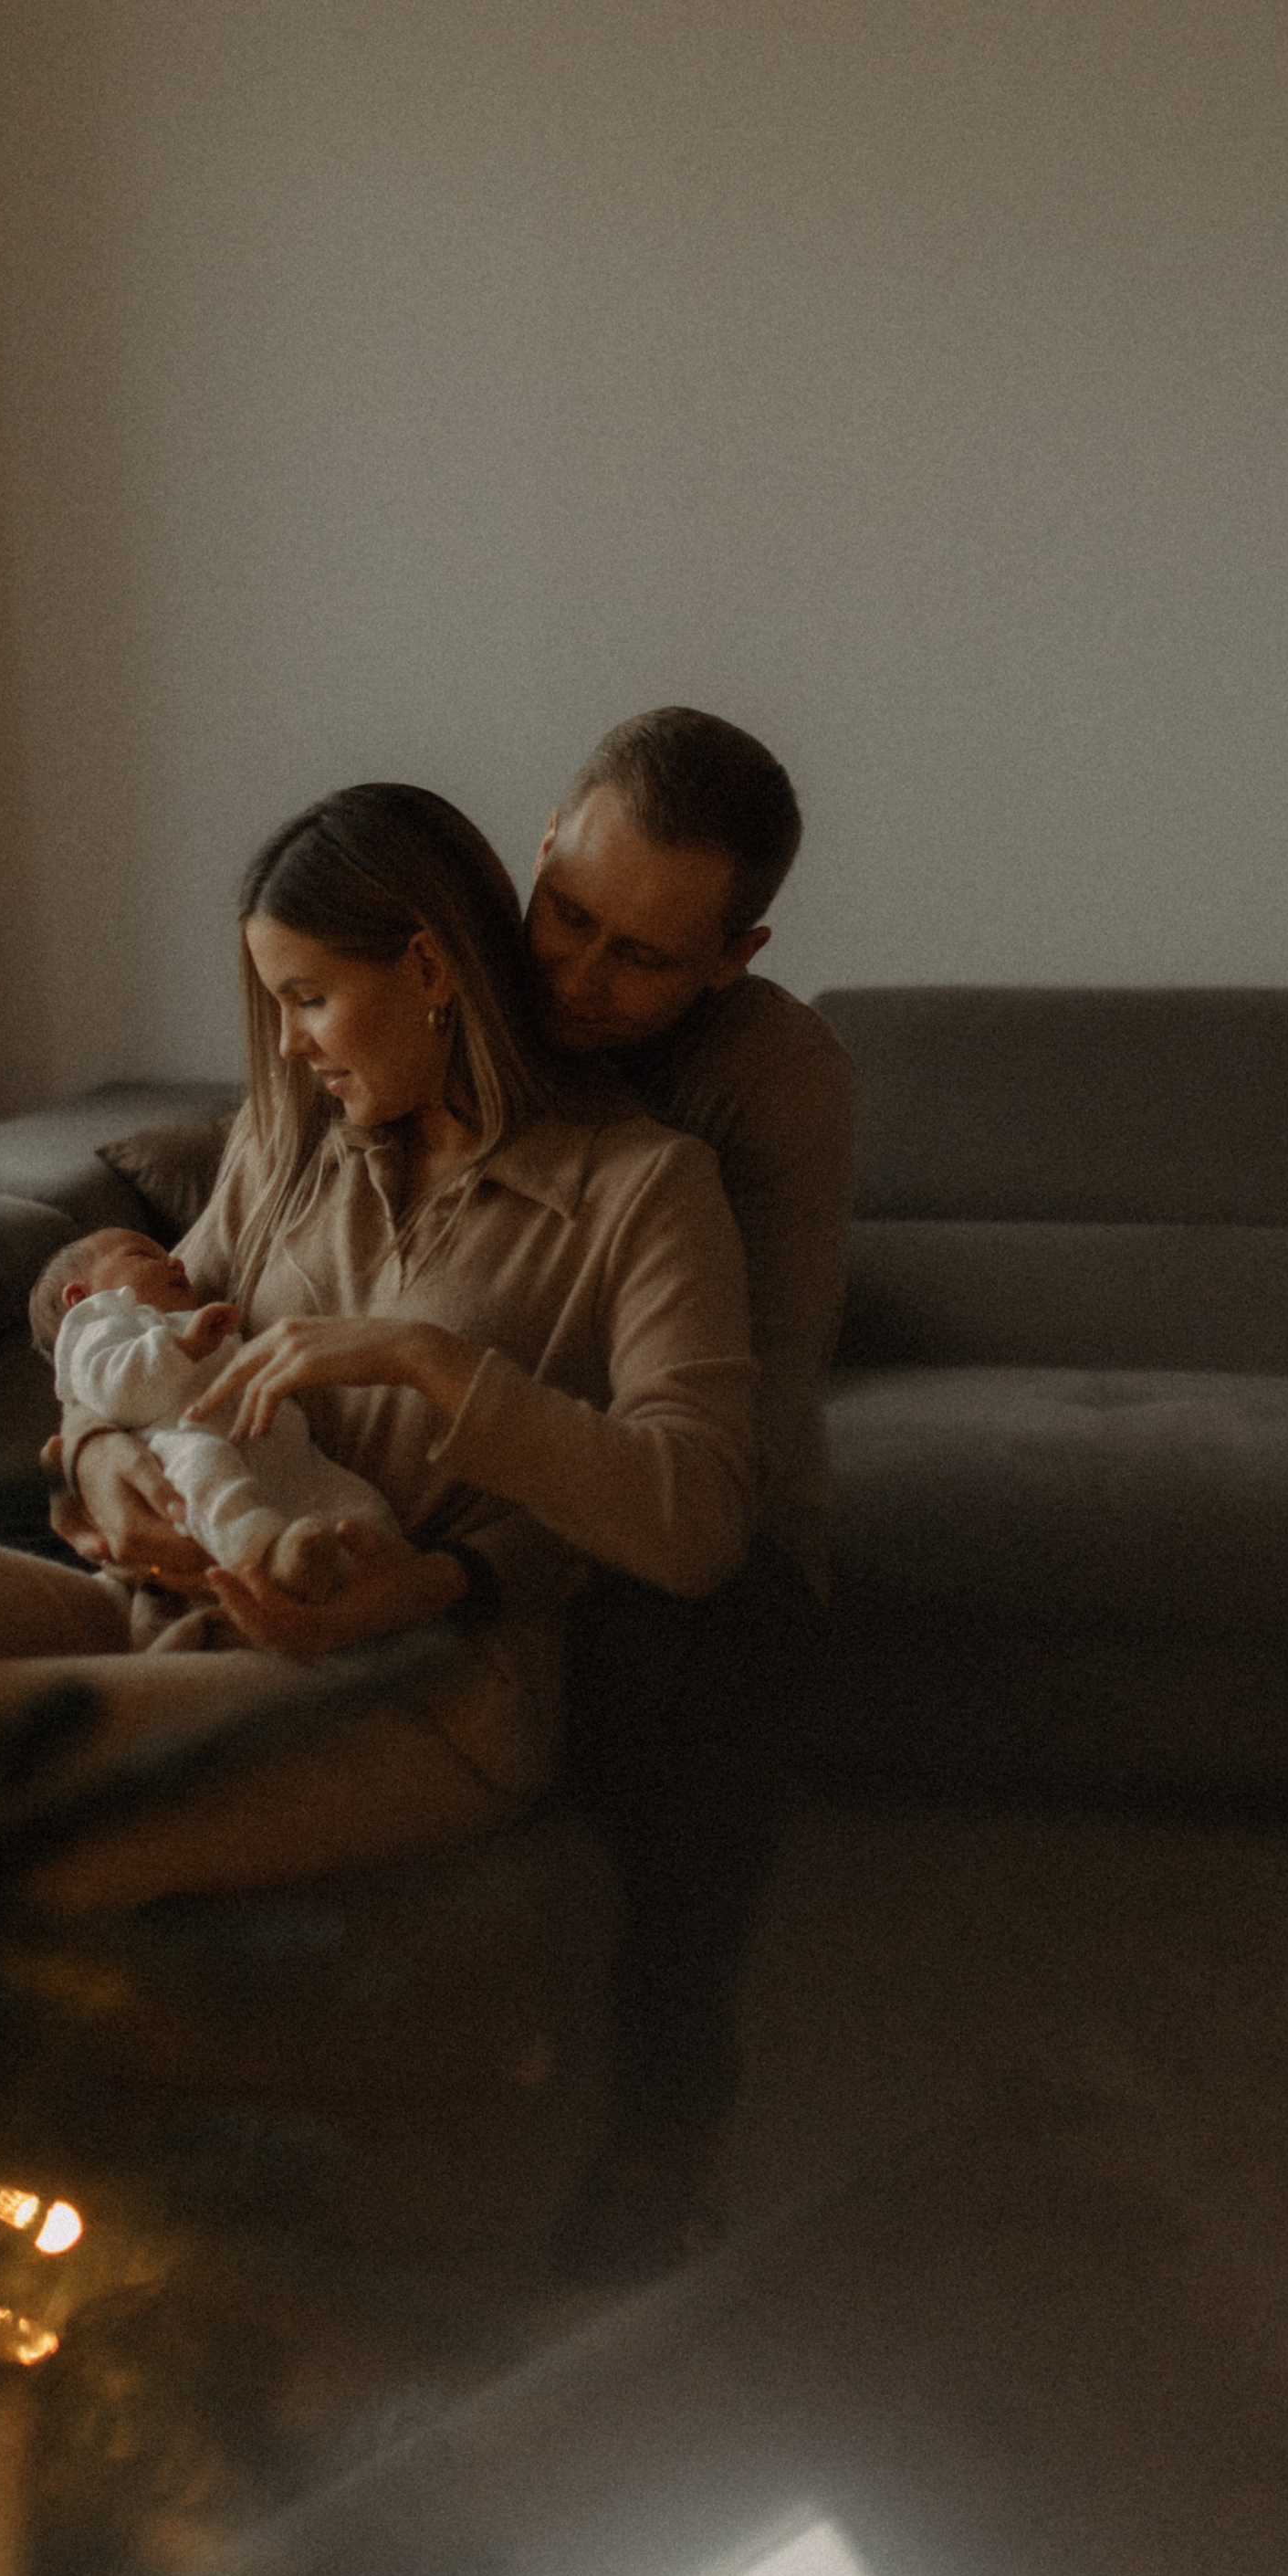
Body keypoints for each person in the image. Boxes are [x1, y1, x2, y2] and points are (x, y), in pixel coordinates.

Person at [0, 783, 758, 1913]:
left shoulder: (644, 1188)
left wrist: (425, 1361)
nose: (291, 1045)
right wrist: (101, 1452)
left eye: (308, 999)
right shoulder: (288, 1143)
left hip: (427, 1684)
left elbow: (699, 1517)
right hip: (176, 1606)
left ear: (431, 972)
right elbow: (127, 1330)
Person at [526, 709, 856, 2265]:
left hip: (690, 1516)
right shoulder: (464, 972)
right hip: (446, 1480)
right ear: (540, 847)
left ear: (734, 954)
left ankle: (669, 2126)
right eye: (564, 915)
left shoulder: (772, 1074)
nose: (576, 981)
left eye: (641, 958)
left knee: (700, 1682)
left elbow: (748, 1435)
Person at [30, 1222, 396, 1601]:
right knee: (205, 1468)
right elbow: (116, 1391)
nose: (177, 1263)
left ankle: (367, 1564)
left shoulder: (178, 1319)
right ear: (80, 1297)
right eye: (143, 1255)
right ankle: (263, 1558)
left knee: (345, 1497)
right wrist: (182, 1348)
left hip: (274, 1449)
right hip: (178, 1444)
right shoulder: (99, 1329)